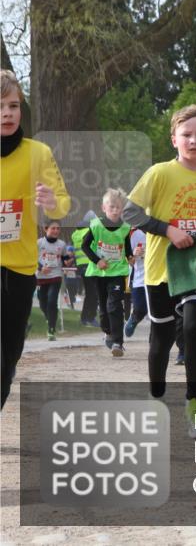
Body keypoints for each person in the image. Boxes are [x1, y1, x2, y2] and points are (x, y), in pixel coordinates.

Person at [123, 104, 196, 438]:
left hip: (194, 267)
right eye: (187, 135)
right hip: (159, 269)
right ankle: (156, 395)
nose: (194, 140)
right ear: (174, 139)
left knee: (195, 328)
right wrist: (169, 231)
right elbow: (130, 213)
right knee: (161, 341)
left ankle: (194, 403)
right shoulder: (160, 173)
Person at [1, 69, 71, 408]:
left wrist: (52, 203)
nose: (7, 114)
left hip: (21, 266)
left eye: (13, 106)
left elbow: (65, 200)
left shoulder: (37, 153)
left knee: (9, 354)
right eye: (0, 107)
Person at [81, 187, 133, 357]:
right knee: (103, 309)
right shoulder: (96, 225)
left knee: (114, 306)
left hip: (117, 271)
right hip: (99, 272)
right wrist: (98, 261)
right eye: (112, 207)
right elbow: (85, 246)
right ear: (104, 208)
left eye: (118, 207)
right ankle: (108, 333)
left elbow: (127, 247)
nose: (115, 210)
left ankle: (118, 342)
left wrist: (131, 257)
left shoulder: (125, 228)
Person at [36, 219, 71, 341]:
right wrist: (40, 268)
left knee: (52, 300)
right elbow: (30, 258)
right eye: (53, 228)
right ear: (46, 229)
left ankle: (51, 329)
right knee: (42, 302)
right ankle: (49, 318)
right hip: (41, 276)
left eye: (58, 228)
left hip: (56, 275)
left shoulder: (61, 244)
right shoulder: (39, 243)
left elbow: (65, 257)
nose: (56, 231)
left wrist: (67, 261)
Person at [71, 211, 100, 327]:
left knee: (90, 292)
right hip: (90, 265)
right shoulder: (90, 231)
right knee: (94, 293)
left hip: (81, 266)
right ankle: (90, 317)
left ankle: (85, 318)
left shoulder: (76, 234)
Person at [124, 227, 148, 338]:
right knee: (141, 309)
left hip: (159, 277)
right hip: (139, 279)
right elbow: (129, 261)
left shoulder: (164, 233)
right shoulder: (134, 234)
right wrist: (132, 254)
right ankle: (134, 318)